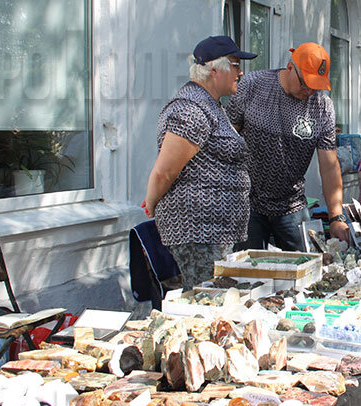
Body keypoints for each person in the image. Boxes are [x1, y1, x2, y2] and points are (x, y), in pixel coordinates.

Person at [142, 36, 256, 290]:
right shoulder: (190, 108)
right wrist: (151, 202)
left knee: (215, 298)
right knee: (206, 300)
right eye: (236, 65)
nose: (241, 72)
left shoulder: (210, 105)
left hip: (214, 232)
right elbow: (165, 170)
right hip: (198, 231)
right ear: (214, 69)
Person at [227, 42, 349, 251]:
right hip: (248, 202)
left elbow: (329, 166)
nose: (309, 91)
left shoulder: (322, 107)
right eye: (305, 83)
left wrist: (336, 216)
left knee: (306, 267)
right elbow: (227, 138)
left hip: (292, 205)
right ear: (290, 66)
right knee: (248, 273)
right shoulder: (252, 85)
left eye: (316, 86)